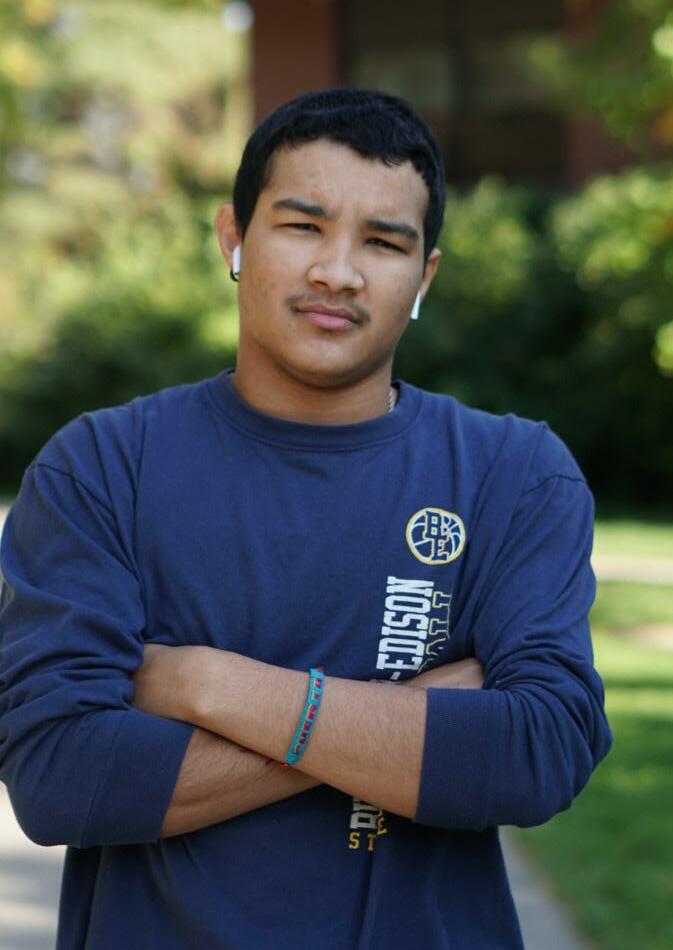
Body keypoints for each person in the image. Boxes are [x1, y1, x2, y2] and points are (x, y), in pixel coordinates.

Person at [0, 88, 611, 949]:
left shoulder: (513, 474)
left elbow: (539, 753)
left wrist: (207, 684)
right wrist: (411, 717)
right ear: (233, 237)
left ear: (424, 277)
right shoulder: (103, 467)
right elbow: (62, 779)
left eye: (383, 242)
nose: (338, 272)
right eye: (302, 226)